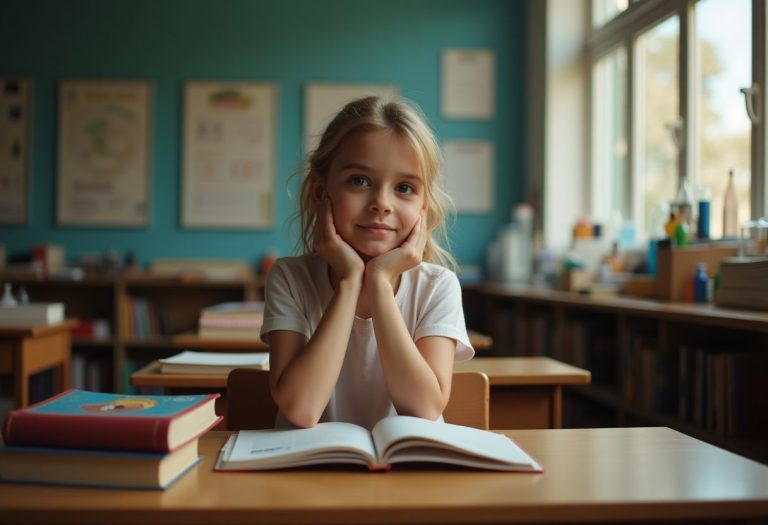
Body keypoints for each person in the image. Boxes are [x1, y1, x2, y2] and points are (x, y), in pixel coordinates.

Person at [260, 96, 474, 430]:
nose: (381, 204)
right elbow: (301, 409)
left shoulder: (437, 287)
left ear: (423, 205)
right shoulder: (289, 278)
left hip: (405, 473)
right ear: (320, 191)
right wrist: (349, 284)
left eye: (404, 188)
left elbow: (424, 409)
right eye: (359, 181)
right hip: (308, 472)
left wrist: (379, 284)